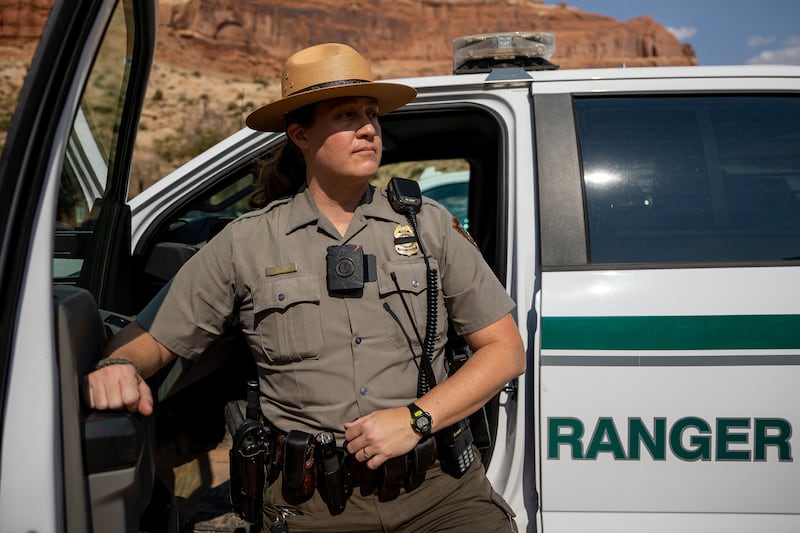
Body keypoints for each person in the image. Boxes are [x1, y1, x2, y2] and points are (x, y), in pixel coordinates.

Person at [84, 42, 526, 532]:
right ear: (300, 134)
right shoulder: (246, 243)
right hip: (314, 507)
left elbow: (504, 350)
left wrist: (415, 419)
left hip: (440, 496)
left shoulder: (429, 226)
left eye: (372, 114)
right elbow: (149, 342)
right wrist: (117, 365)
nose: (368, 128)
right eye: (346, 115)